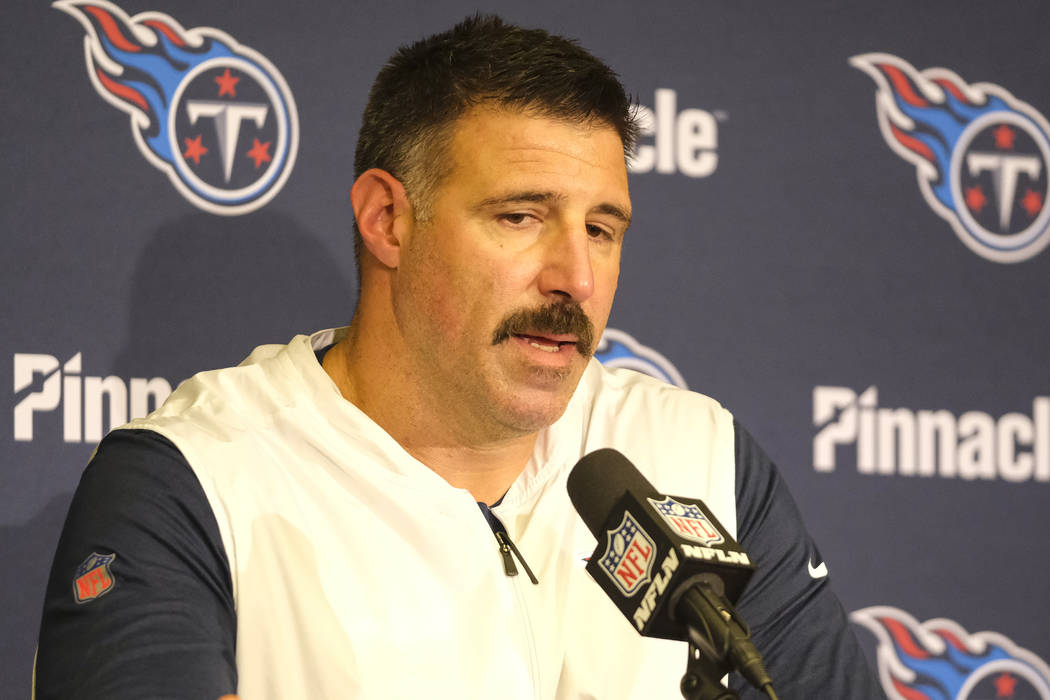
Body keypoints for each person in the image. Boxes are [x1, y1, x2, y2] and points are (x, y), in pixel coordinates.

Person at [35, 14, 884, 700]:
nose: (576, 278)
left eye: (602, 229)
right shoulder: (194, 479)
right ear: (387, 220)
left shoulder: (701, 458)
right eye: (521, 216)